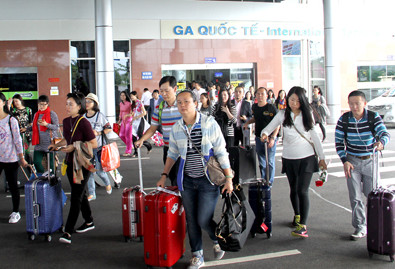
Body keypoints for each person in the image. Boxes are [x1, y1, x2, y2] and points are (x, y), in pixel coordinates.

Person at [157, 90, 234, 269]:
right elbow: (173, 154)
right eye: (179, 102)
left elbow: (221, 151)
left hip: (208, 180)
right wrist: (164, 175)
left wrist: (228, 177)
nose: (182, 105)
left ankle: (216, 238)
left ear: (195, 103)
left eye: (186, 102)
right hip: (187, 181)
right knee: (191, 219)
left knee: (202, 219)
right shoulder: (177, 128)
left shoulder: (209, 123)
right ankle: (197, 255)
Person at [260, 86, 327, 238]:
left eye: (297, 100)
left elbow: (315, 136)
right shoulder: (283, 114)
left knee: (302, 190)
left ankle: (303, 225)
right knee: (294, 190)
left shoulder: (307, 114)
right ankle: (297, 215)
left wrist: (321, 158)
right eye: (291, 99)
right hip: (289, 158)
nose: (294, 102)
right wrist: (264, 134)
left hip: (307, 158)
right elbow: (268, 128)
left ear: (302, 101)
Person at [335, 90, 390, 241]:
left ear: (364, 103)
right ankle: (360, 226)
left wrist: (381, 143)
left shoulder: (373, 117)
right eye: (351, 104)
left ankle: (376, 225)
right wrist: (344, 160)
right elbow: (339, 143)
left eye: (357, 103)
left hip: (370, 161)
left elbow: (385, 134)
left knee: (372, 196)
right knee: (355, 197)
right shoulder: (344, 120)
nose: (354, 107)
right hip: (351, 161)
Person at [49, 92, 97, 244]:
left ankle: (67, 231)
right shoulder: (66, 121)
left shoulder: (84, 122)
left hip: (83, 164)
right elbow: (66, 138)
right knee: (80, 194)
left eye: (71, 104)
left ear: (79, 106)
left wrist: (74, 147)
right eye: (67, 103)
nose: (67, 106)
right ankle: (89, 221)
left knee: (76, 197)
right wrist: (56, 145)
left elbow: (94, 143)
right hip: (70, 163)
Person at [135, 76, 182, 186]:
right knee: (173, 180)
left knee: (182, 182)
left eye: (166, 90)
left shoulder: (183, 105)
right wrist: (141, 140)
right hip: (168, 150)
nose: (163, 94)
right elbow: (152, 129)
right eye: (161, 91)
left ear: (175, 89)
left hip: (183, 151)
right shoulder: (160, 108)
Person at [0, 92, 28, 224]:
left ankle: (15, 212)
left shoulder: (11, 120)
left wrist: (21, 157)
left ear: (4, 103)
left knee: (12, 185)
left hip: (10, 158)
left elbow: (17, 140)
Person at [243, 87, 279, 185]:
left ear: (266, 96)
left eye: (262, 94)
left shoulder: (271, 107)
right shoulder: (254, 107)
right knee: (262, 162)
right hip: (258, 138)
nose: (260, 96)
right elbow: (256, 118)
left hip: (269, 139)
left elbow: (277, 123)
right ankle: (264, 179)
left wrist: (273, 138)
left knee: (270, 161)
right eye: (258, 94)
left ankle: (269, 182)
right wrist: (247, 123)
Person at [83, 93, 112, 201]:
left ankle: (107, 182)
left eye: (89, 101)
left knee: (99, 171)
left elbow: (109, 128)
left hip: (99, 148)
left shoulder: (100, 116)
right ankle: (92, 193)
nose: (87, 103)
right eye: (86, 101)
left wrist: (98, 133)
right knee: (89, 172)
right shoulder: (83, 117)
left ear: (95, 103)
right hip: (87, 148)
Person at [30, 95, 60, 174]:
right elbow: (34, 126)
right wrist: (26, 129)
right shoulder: (36, 114)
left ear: (47, 104)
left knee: (51, 166)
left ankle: (52, 181)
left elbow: (56, 127)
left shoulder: (52, 114)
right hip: (39, 143)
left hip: (50, 142)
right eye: (40, 104)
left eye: (44, 104)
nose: (42, 106)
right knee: (37, 162)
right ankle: (43, 177)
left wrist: (46, 124)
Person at [7, 94, 33, 161]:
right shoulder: (14, 111)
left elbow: (31, 123)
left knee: (27, 152)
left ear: (20, 100)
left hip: (27, 134)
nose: (16, 103)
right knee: (19, 151)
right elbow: (8, 116)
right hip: (17, 134)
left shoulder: (28, 110)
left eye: (17, 101)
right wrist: (8, 105)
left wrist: (27, 129)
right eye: (14, 102)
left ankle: (30, 167)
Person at [130, 91, 152, 157]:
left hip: (140, 121)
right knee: (133, 136)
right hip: (134, 121)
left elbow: (144, 113)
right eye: (130, 96)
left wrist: (137, 117)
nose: (131, 97)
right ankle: (136, 152)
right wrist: (131, 119)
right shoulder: (133, 104)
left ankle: (148, 146)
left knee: (140, 136)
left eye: (132, 96)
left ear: (135, 95)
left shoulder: (139, 102)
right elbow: (133, 113)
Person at [118, 91, 133, 157]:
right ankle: (130, 145)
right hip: (123, 121)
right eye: (121, 95)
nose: (122, 96)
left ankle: (128, 151)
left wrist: (127, 116)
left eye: (123, 95)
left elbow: (132, 113)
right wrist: (119, 120)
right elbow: (120, 112)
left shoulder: (129, 104)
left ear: (126, 96)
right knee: (121, 135)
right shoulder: (121, 103)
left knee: (128, 136)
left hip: (128, 120)